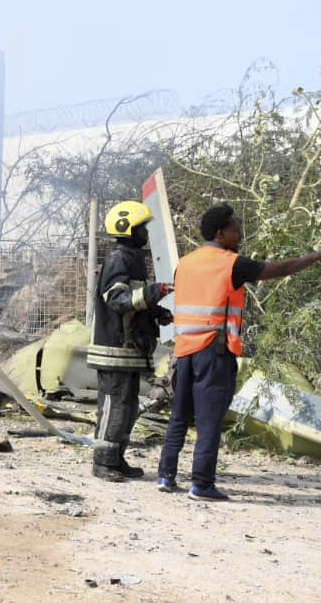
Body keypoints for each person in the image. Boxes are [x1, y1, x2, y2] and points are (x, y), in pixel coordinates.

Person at [157, 203, 321, 501]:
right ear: (220, 233)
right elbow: (281, 269)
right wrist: (316, 255)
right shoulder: (231, 263)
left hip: (183, 350)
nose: (239, 232)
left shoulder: (185, 263)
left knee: (179, 415)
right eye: (235, 228)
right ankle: (202, 484)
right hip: (213, 352)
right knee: (209, 420)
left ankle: (166, 475)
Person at [88, 201, 173, 482]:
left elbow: (135, 302)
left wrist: (157, 312)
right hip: (114, 351)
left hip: (128, 352)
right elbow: (117, 300)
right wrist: (153, 293)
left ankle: (117, 459)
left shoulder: (132, 259)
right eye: (141, 228)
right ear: (127, 230)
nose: (145, 234)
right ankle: (103, 462)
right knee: (114, 405)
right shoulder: (118, 260)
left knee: (126, 406)